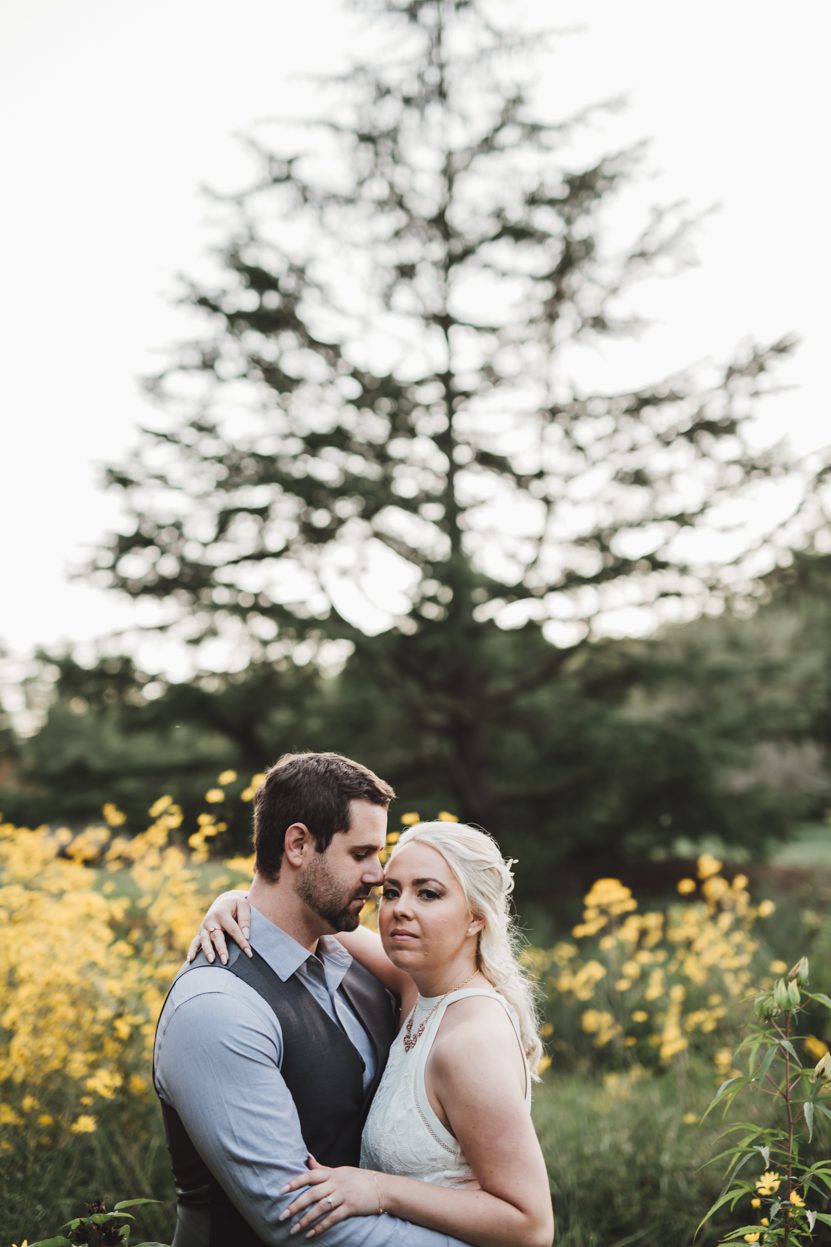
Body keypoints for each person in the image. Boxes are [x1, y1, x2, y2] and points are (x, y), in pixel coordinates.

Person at [192, 812, 554, 1247]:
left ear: (476, 916)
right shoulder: (418, 989)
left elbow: (530, 1225)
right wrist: (236, 902)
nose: (401, 909)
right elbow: (298, 919)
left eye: (429, 894)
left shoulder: (470, 1041)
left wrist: (382, 1191)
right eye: (393, 892)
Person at [154, 751, 470, 1247]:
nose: (379, 874)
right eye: (361, 854)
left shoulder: (366, 966)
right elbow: (296, 1220)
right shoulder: (215, 1007)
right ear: (298, 844)